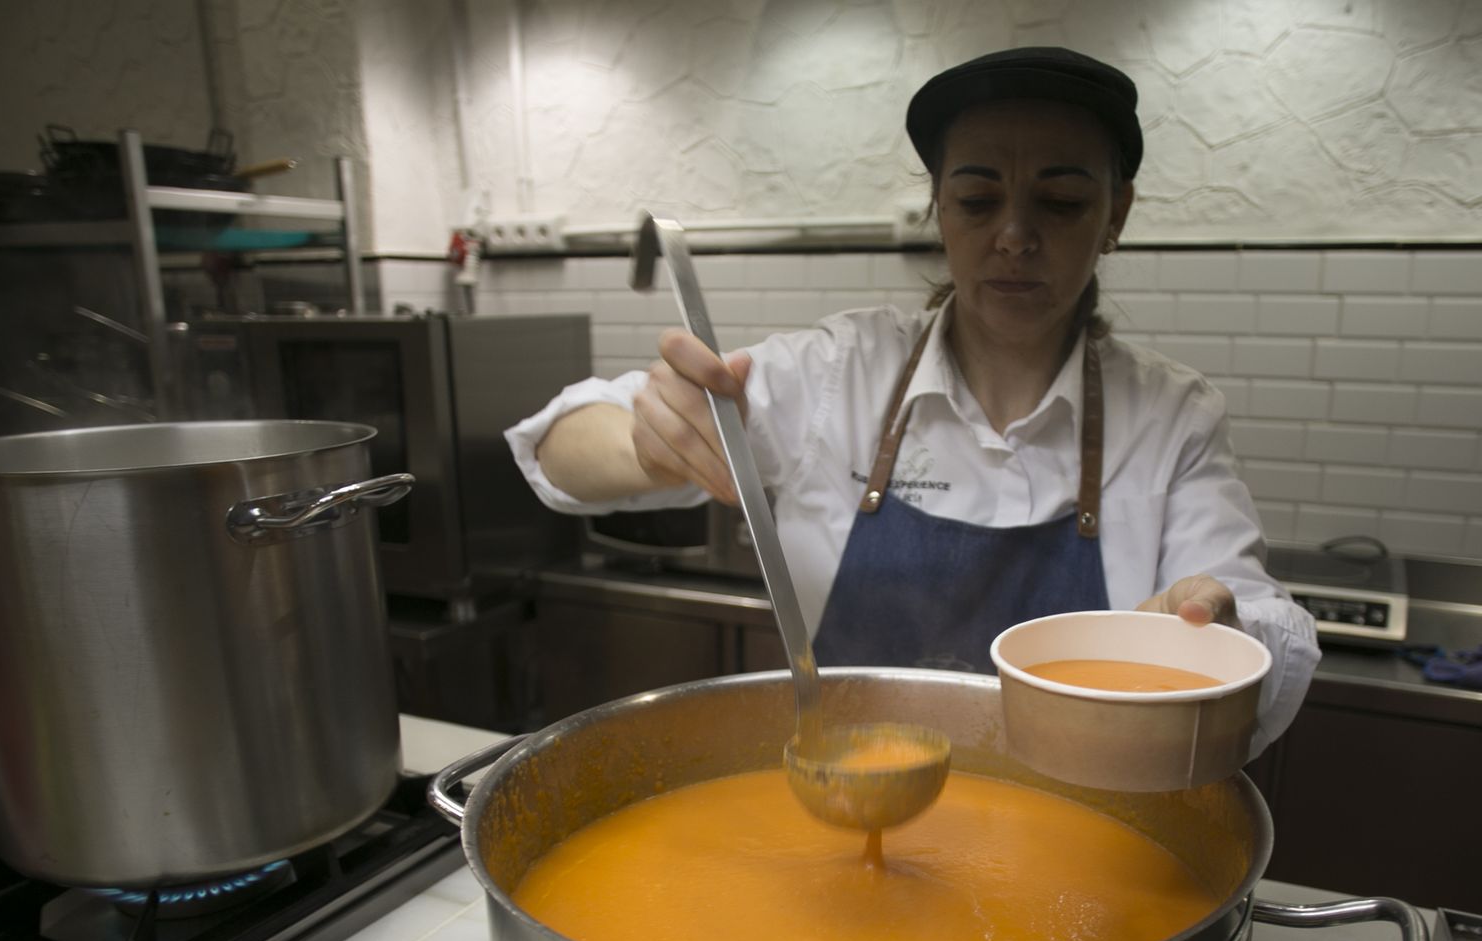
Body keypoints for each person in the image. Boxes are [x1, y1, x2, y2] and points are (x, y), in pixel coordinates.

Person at [506, 46, 1320, 754]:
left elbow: (1262, 628)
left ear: (1117, 215)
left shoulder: (1173, 418)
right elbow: (555, 449)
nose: (1014, 235)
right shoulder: (840, 374)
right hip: (850, 814)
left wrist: (1217, 630)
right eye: (978, 200)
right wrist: (649, 444)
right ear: (938, 207)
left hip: (1075, 834)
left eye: (1062, 201)